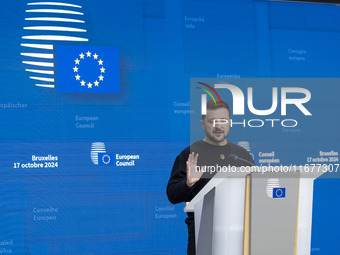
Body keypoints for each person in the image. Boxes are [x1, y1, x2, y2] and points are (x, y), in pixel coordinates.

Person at [166, 99, 254, 255]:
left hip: (239, 232)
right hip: (202, 234)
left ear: (230, 122)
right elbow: (172, 195)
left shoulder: (242, 155)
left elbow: (255, 190)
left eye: (223, 120)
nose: (218, 126)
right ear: (202, 124)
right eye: (212, 121)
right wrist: (189, 184)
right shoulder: (190, 154)